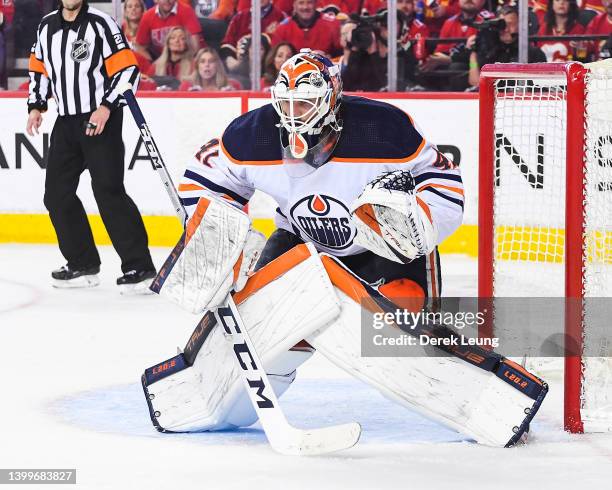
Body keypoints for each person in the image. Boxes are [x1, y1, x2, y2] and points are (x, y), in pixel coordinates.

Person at [138, 51, 544, 446]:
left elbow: (442, 181)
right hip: (299, 241)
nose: (294, 114)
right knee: (271, 333)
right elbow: (204, 183)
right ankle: (213, 404)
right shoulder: (251, 134)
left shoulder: (383, 127)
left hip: (382, 248)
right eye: (288, 103)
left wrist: (415, 223)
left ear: (331, 99)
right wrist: (221, 237)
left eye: (305, 103)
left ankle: (488, 394)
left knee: (398, 339)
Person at [26, 0, 155, 291]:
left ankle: (140, 267)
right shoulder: (46, 27)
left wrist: (107, 107)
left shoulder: (101, 23)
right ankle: (82, 264)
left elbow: (127, 71)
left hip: (100, 118)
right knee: (56, 195)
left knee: (108, 191)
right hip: (66, 121)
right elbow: (39, 70)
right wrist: (36, 106)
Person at [467, 5, 547, 88]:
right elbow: (475, 83)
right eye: (502, 24)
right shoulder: (489, 52)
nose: (506, 29)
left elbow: (541, 87)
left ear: (520, 25)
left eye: (510, 24)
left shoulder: (533, 53)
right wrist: (473, 56)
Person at [220, 0, 286, 71]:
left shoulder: (281, 17)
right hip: (239, 70)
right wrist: (231, 61)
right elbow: (227, 44)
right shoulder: (239, 17)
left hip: (268, 71)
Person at [135, 0, 204, 61]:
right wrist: (152, 64)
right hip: (161, 61)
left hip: (188, 58)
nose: (168, 1)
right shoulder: (147, 16)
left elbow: (195, 46)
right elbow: (140, 47)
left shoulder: (186, 11)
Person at [271, 0, 342, 57]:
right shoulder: (282, 29)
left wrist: (329, 59)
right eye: (301, 3)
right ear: (294, 5)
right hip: (292, 72)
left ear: (316, 4)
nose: (305, 7)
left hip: (325, 71)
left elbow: (342, 55)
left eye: (309, 2)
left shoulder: (332, 25)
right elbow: (274, 58)